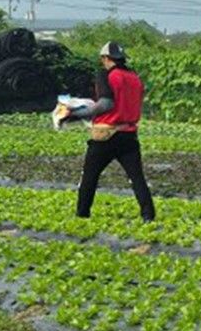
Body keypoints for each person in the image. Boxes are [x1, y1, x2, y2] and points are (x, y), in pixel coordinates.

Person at [63, 41, 156, 221]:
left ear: (106, 58)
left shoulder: (106, 76)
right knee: (137, 178)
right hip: (129, 134)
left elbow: (106, 104)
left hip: (106, 136)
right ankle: (148, 216)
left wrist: (74, 114)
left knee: (90, 176)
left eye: (103, 59)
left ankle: (82, 215)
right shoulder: (134, 78)